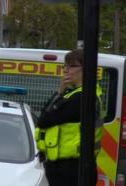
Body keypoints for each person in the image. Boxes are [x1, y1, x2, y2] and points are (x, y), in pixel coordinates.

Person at [35, 49, 104, 186]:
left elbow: (43, 120)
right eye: (65, 66)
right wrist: (60, 93)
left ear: (86, 69)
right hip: (72, 166)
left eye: (72, 66)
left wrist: (59, 92)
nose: (66, 70)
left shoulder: (80, 98)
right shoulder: (79, 94)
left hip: (71, 168)